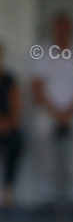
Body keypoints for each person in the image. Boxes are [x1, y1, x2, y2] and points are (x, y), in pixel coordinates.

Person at [31, 12, 73, 210]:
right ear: (53, 30)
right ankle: (46, 193)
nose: (62, 32)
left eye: (65, 28)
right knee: (41, 132)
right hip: (48, 110)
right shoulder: (42, 52)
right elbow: (36, 87)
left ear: (71, 30)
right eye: (58, 28)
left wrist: (68, 112)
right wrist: (56, 112)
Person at [0, 41, 24, 209]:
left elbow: (16, 107)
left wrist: (7, 122)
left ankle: (7, 188)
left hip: (7, 127)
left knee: (17, 141)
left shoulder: (9, 79)